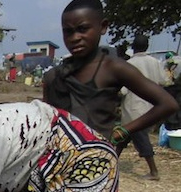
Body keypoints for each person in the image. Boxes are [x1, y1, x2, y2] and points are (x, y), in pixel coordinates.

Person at [43, 0, 177, 148]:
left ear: (103, 26)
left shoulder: (113, 68)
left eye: (83, 29)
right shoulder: (53, 76)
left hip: (97, 160)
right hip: (58, 159)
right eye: (68, 31)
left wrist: (123, 131)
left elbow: (167, 104)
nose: (75, 38)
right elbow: (45, 120)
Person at [118, 35, 169, 180]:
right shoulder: (155, 62)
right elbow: (163, 81)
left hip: (133, 107)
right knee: (123, 138)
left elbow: (123, 90)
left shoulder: (129, 64)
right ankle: (111, 162)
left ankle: (154, 172)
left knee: (140, 138)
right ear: (146, 47)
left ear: (133, 47)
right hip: (150, 106)